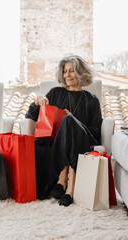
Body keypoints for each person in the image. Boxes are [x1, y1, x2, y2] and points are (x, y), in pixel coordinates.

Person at [25, 55, 103, 206]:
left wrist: (74, 121)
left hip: (84, 140)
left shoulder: (92, 99)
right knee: (66, 122)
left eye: (72, 71)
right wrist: (37, 101)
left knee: (68, 120)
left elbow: (95, 131)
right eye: (65, 71)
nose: (67, 75)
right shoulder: (55, 93)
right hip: (57, 141)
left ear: (80, 73)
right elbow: (31, 116)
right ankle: (66, 184)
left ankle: (65, 184)